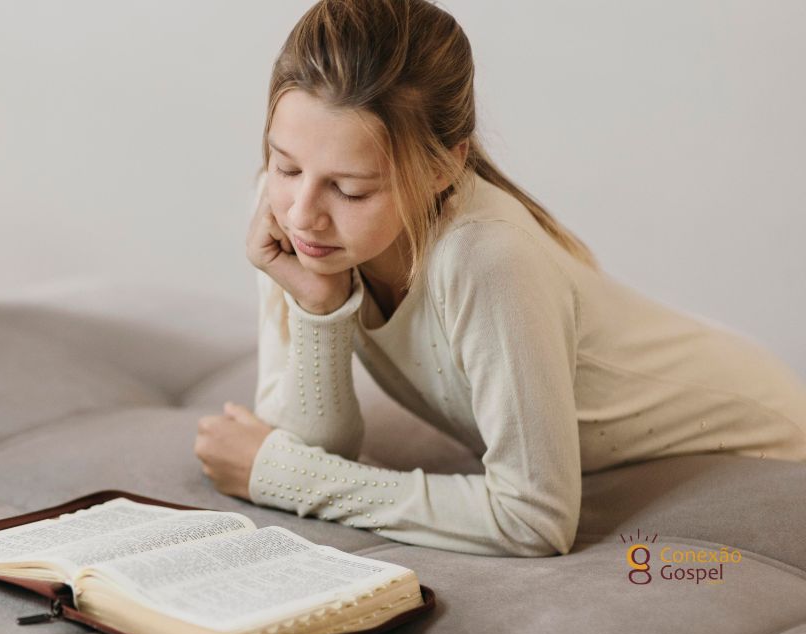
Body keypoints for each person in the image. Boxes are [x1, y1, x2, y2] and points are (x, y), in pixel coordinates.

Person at [193, 0, 806, 558]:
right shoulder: (297, 229)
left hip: (761, 443)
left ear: (445, 165)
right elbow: (306, 440)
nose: (302, 211)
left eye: (350, 189)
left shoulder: (486, 258)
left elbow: (533, 518)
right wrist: (318, 304)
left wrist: (284, 478)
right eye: (285, 164)